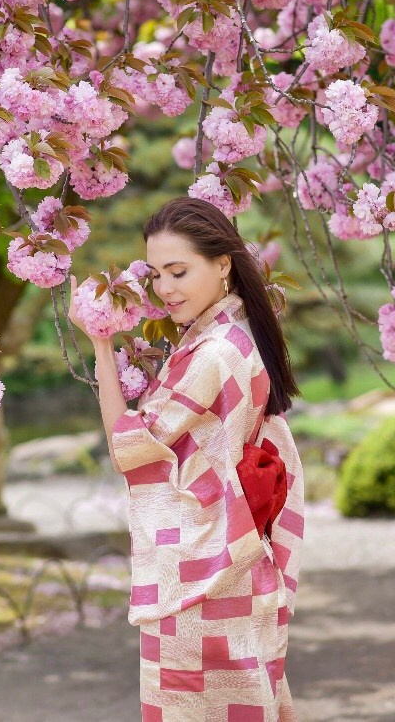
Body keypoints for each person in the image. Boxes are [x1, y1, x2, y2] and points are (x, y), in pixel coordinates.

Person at [69, 197, 305, 721]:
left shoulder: (214, 354)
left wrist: (102, 346)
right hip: (235, 561)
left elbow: (131, 448)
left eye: (178, 272)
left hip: (203, 578)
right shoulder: (232, 341)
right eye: (156, 275)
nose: (165, 288)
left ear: (222, 265)